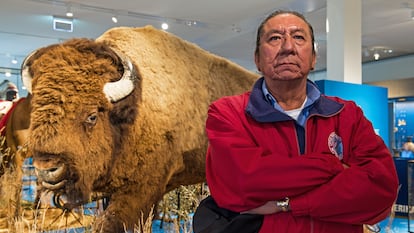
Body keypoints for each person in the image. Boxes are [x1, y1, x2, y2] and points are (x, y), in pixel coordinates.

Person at [204, 10, 399, 233]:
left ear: (313, 58)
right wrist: (332, 165)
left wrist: (287, 205)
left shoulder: (347, 115)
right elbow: (241, 183)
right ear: (257, 59)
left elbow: (380, 191)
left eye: (298, 37)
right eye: (275, 38)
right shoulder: (228, 113)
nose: (288, 47)